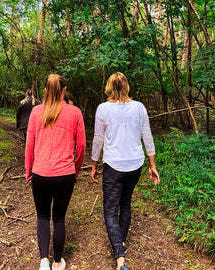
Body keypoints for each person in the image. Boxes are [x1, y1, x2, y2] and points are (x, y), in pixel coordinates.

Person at [91, 72, 160, 270]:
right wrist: (152, 164)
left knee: (110, 210)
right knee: (126, 203)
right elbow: (147, 137)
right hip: (135, 165)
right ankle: (120, 242)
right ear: (127, 86)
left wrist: (94, 164)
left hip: (113, 165)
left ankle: (120, 258)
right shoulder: (139, 107)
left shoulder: (103, 109)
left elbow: (98, 139)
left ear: (109, 87)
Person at [25, 74, 86, 270]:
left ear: (45, 91)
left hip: (40, 174)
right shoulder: (75, 113)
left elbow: (29, 145)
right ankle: (58, 263)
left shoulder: (35, 112)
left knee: (42, 216)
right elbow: (82, 146)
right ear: (64, 91)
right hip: (65, 175)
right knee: (59, 218)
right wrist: (75, 170)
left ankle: (44, 262)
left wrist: (29, 170)